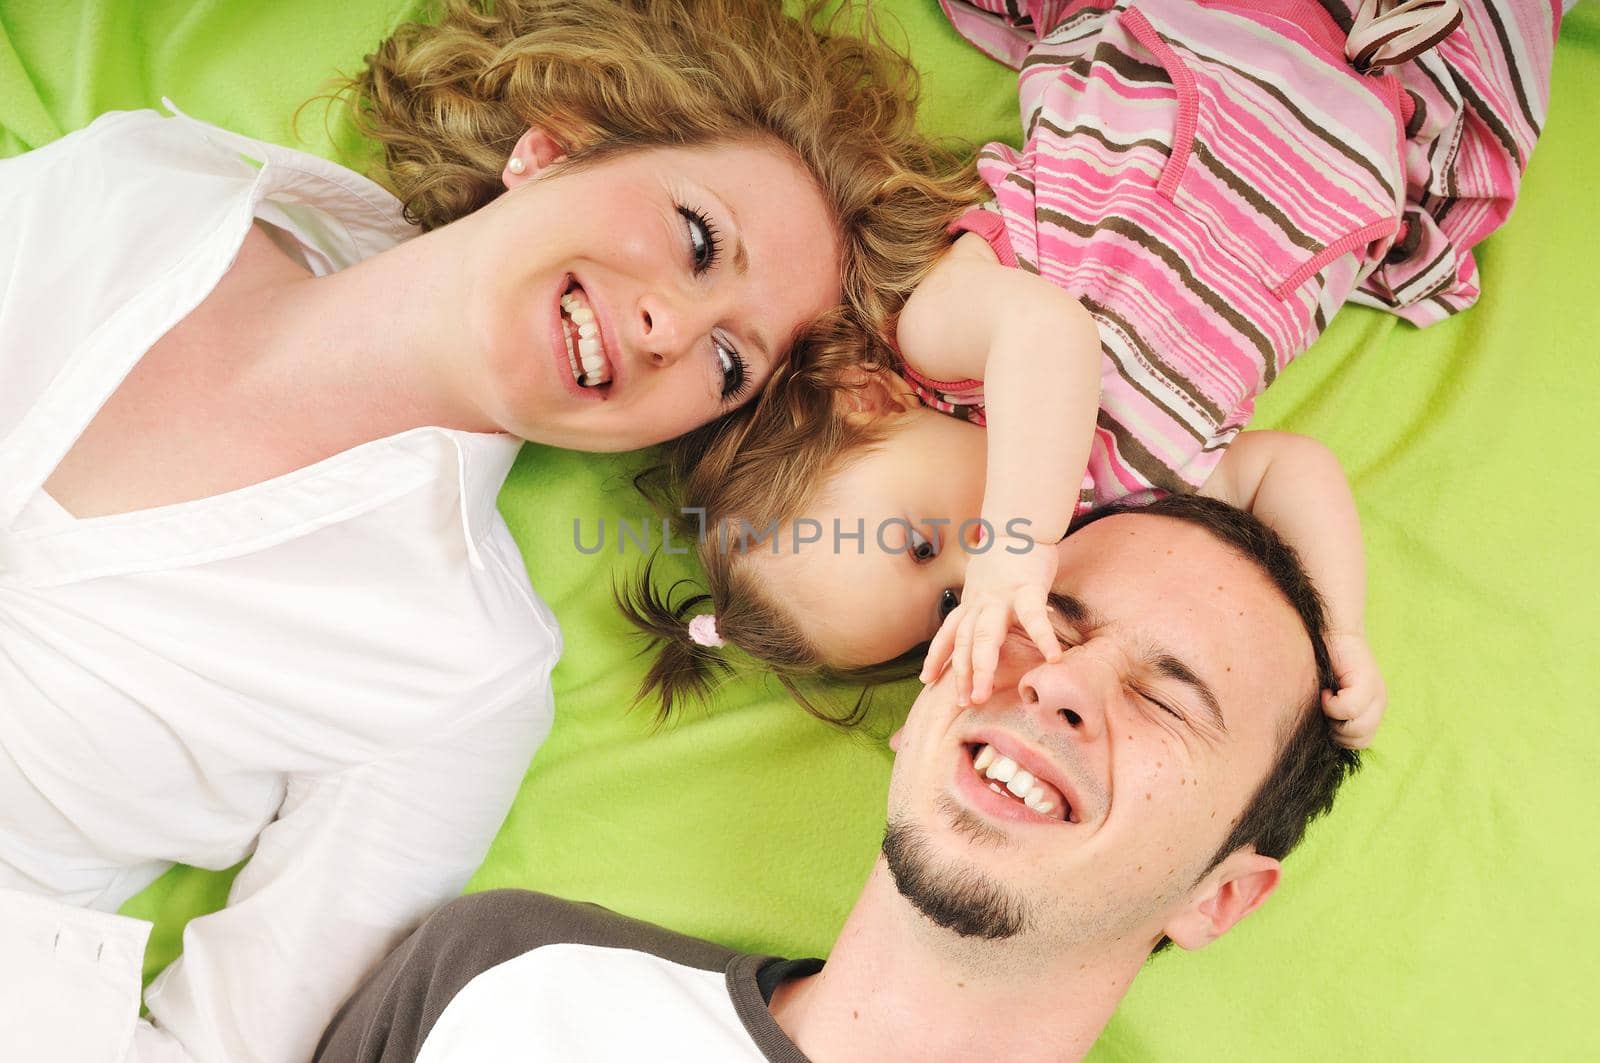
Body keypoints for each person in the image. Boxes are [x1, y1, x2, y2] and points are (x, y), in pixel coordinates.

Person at [0, 1, 980, 1059]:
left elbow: (226, 1045)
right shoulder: (143, 183)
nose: (670, 326)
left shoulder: (459, 682)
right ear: (549, 147)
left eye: (728, 362)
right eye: (697, 239)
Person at [625, 0, 1559, 739]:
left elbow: (1052, 335)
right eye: (948, 603)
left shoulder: (943, 341)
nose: (971, 570)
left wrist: (1011, 551)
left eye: (916, 540)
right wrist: (1338, 627)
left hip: (1215, 47)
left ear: (867, 399)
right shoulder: (1117, 509)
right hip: (1383, 121)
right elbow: (1283, 471)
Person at [316, 493, 1362, 1062]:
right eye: (1040, 624)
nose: (1060, 683)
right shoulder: (509, 970)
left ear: (1218, 896)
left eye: (1167, 699)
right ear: (920, 710)